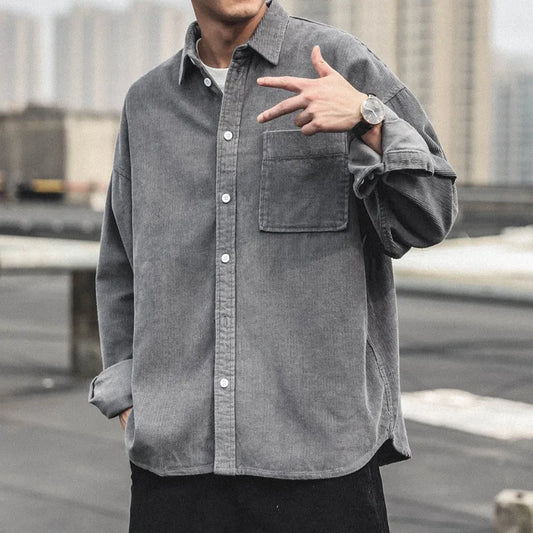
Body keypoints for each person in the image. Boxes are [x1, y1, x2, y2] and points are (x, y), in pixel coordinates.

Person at [88, 0, 458, 531]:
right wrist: (128, 391)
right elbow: (121, 259)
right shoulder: (147, 103)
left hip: (321, 463)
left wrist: (368, 118)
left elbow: (433, 216)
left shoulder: (340, 63)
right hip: (175, 466)